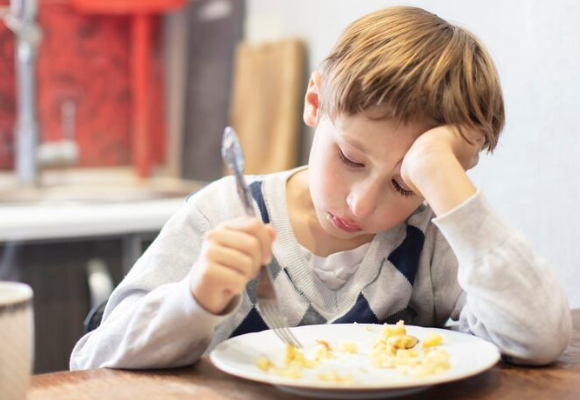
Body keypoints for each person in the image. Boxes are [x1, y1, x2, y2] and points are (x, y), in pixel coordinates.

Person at [70, 6, 571, 370]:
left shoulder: (433, 238)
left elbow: (542, 336)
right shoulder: (223, 213)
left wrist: (446, 185)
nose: (362, 203)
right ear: (315, 101)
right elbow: (91, 360)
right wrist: (196, 300)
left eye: (405, 184)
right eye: (351, 158)